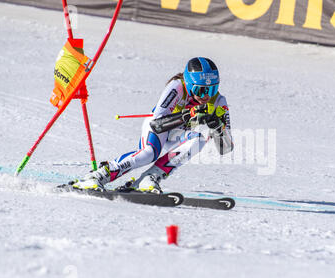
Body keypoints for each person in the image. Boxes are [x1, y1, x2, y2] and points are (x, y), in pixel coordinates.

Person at [72, 57, 234, 193]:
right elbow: (157, 124)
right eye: (200, 90)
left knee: (198, 140)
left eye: (212, 90)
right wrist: (189, 115)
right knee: (149, 153)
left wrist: (218, 128)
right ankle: (99, 175)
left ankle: (149, 178)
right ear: (190, 84)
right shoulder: (178, 87)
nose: (206, 96)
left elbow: (225, 148)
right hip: (159, 126)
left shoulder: (219, 102)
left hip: (178, 133)